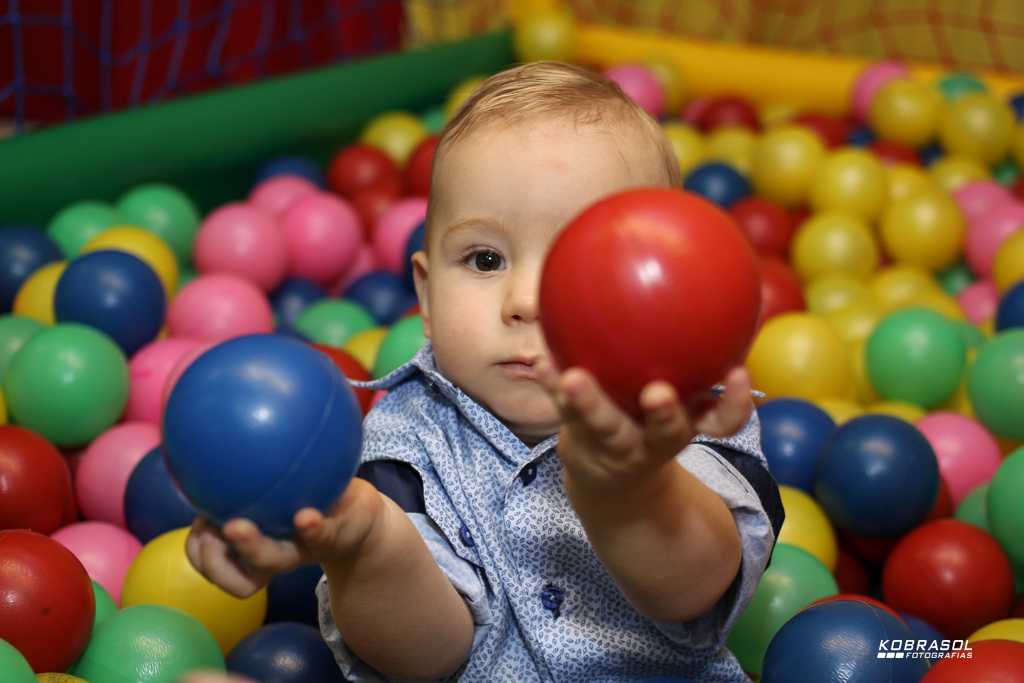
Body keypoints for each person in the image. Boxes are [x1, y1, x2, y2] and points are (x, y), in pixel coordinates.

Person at [186, 61, 784, 682]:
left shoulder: (684, 416)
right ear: (426, 296)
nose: (524, 300)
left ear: (663, 295)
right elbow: (427, 658)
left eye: (581, 266)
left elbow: (694, 591)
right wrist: (366, 543)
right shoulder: (404, 441)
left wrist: (632, 491)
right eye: (486, 259)